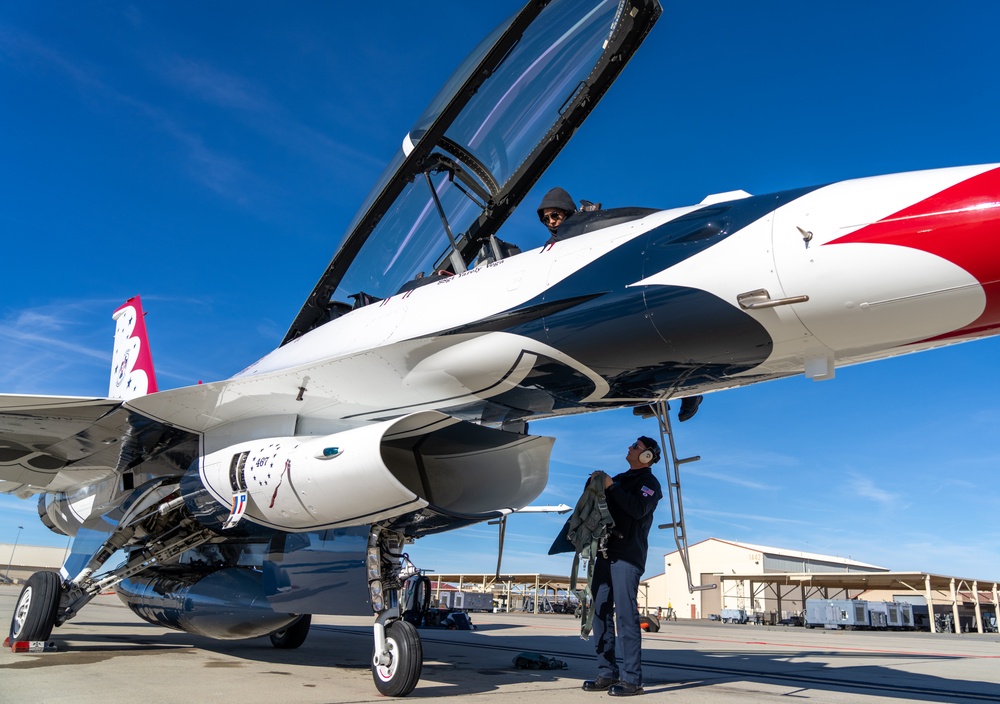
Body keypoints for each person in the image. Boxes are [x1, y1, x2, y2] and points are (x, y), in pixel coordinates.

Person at [583, 436, 663, 697]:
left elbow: (638, 509)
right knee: (600, 611)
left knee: (626, 616)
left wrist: (611, 487)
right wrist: (594, 484)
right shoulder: (619, 479)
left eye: (636, 447)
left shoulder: (649, 484)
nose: (630, 448)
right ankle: (606, 673)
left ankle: (632, 680)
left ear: (647, 456)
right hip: (605, 554)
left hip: (627, 557)